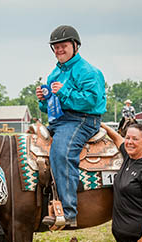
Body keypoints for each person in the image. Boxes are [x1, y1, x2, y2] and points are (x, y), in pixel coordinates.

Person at [36, 25, 107, 227]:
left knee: (61, 152)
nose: (59, 50)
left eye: (63, 46)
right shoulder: (54, 75)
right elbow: (52, 107)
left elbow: (92, 101)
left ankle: (68, 212)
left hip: (83, 120)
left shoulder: (89, 71)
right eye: (55, 47)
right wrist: (43, 99)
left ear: (75, 46)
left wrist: (64, 92)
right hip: (60, 120)